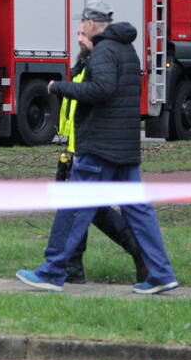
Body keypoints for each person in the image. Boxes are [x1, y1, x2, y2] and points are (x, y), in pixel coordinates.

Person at [17, 0, 178, 295]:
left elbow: (101, 89)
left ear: (92, 25)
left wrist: (59, 88)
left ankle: (52, 271)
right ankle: (161, 273)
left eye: (80, 32)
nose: (79, 38)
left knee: (74, 209)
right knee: (139, 212)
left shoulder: (103, 51)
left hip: (100, 147)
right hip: (124, 147)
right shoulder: (126, 49)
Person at [59, 21, 148, 285]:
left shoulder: (101, 60)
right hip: (77, 145)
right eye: (76, 34)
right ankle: (72, 267)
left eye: (83, 35)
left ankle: (139, 254)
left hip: (92, 147)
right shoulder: (86, 60)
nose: (78, 39)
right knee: (82, 208)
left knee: (89, 209)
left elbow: (98, 95)